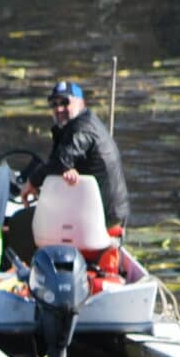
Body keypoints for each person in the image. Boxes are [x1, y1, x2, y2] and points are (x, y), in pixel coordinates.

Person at [18, 80, 131, 239]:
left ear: (81, 103)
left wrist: (32, 181)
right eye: (54, 104)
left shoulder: (82, 128)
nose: (59, 109)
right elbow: (62, 162)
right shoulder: (71, 126)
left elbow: (61, 162)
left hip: (105, 218)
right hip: (90, 211)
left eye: (65, 102)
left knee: (21, 224)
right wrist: (66, 170)